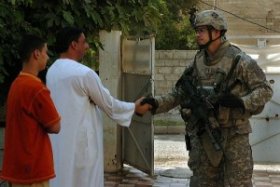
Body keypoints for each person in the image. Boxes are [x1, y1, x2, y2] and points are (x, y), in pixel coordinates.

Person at [142, 9, 273, 187]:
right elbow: (179, 93)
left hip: (234, 136)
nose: (198, 35)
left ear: (217, 32)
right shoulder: (198, 62)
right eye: (197, 31)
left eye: (202, 30)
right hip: (205, 136)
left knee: (238, 184)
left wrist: (242, 102)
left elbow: (265, 90)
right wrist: (156, 103)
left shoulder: (239, 60)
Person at [46, 27, 151, 187]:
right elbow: (109, 104)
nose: (87, 46)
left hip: (59, 146)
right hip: (82, 149)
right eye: (84, 42)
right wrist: (134, 107)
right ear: (74, 45)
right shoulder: (84, 74)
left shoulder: (52, 71)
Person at [1, 34, 61, 187]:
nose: (47, 57)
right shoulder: (36, 88)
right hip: (33, 169)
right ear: (36, 53)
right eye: (45, 52)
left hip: (17, 167)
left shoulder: (16, 84)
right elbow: (55, 126)